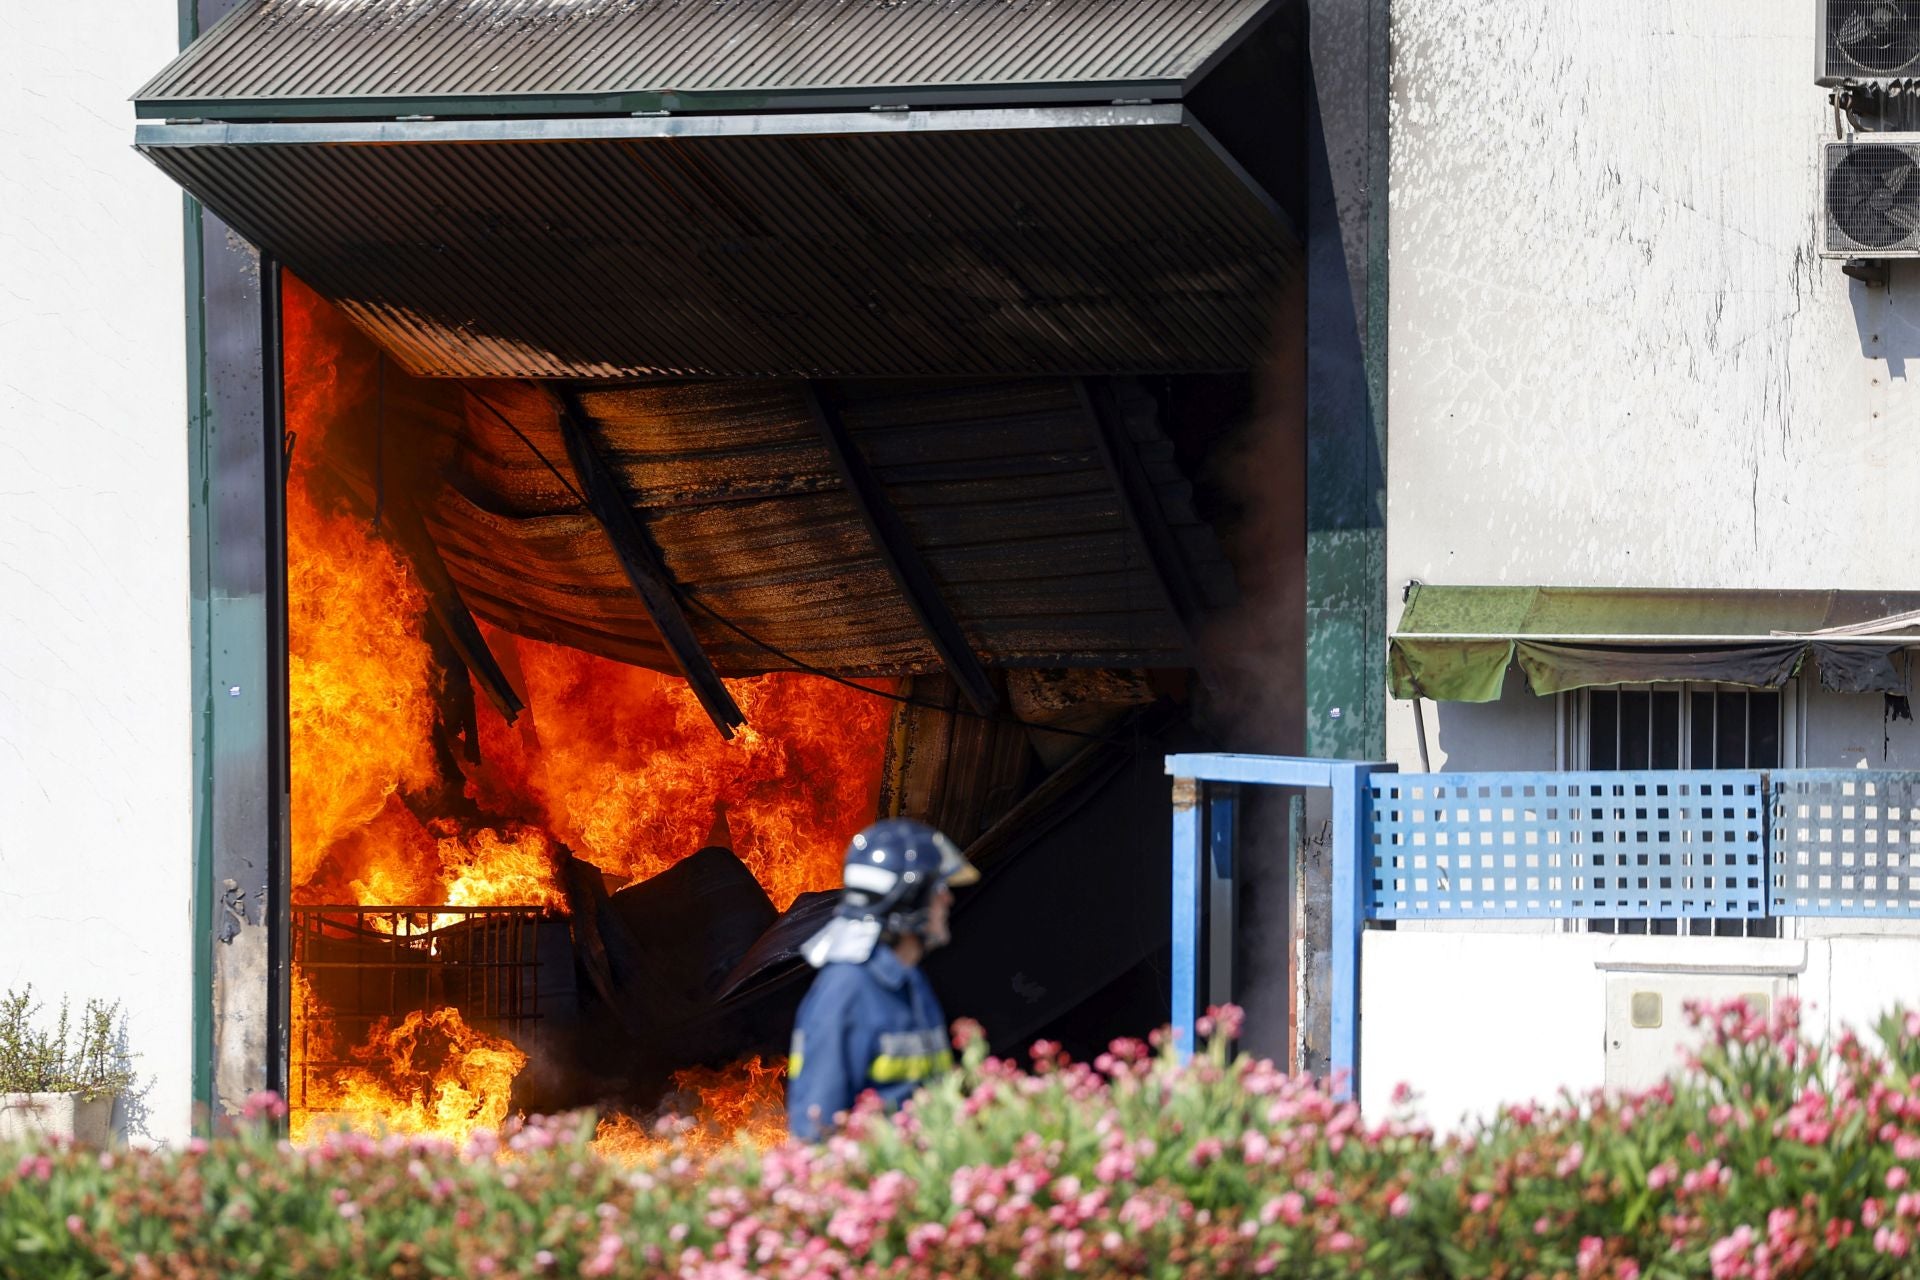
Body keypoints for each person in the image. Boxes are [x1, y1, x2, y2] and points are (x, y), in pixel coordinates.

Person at [785, 818, 978, 1141]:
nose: (948, 900)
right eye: (938, 889)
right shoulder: (847, 990)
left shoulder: (910, 982)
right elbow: (816, 1131)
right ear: (909, 899)